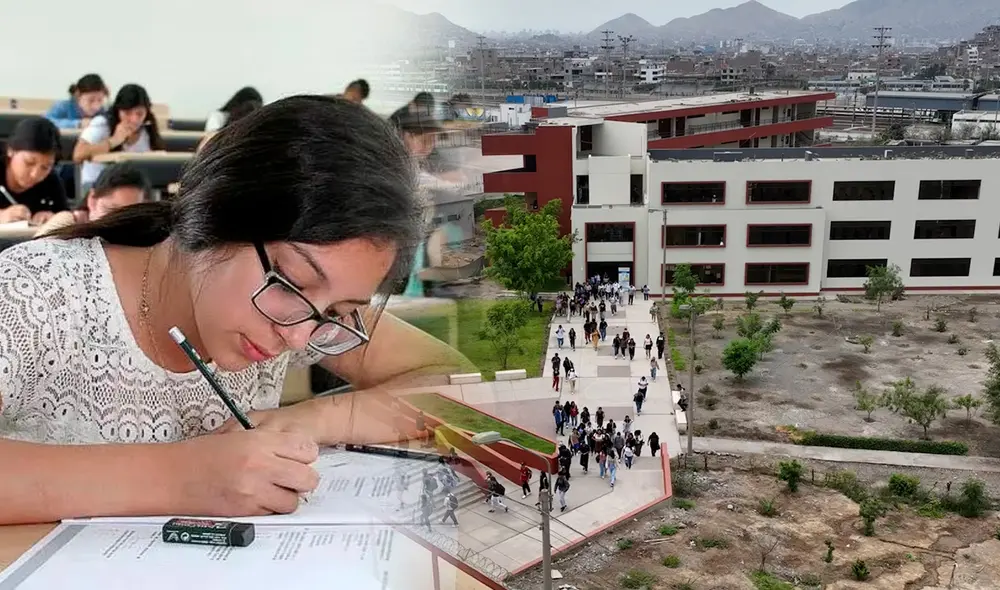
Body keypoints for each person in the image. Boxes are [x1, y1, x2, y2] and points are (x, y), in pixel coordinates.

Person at [0, 95, 470, 525]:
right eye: (294, 282)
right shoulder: (41, 291)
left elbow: (450, 379)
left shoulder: (297, 318)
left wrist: (303, 421)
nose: (299, 338)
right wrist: (179, 478)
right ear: (217, 206)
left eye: (337, 310)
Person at [73, 84, 165, 193]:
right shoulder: (102, 123)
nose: (134, 119)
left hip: (134, 188)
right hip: (96, 185)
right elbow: (78, 154)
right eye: (127, 113)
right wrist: (113, 141)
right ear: (118, 111)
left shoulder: (148, 129)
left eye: (140, 114)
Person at [37, 162, 150, 235]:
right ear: (92, 201)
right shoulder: (66, 224)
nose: (121, 222)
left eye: (132, 215)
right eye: (111, 211)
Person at [0, 117, 69, 225]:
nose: (35, 174)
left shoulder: (51, 181)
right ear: (10, 150)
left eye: (45, 167)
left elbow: (67, 217)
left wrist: (55, 218)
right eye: (29, 163)